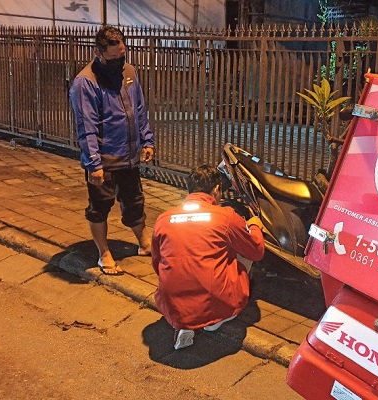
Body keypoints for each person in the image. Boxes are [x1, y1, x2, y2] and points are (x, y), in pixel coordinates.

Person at [69, 26, 155, 275]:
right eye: (113, 58)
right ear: (99, 52)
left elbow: (139, 109)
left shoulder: (129, 73)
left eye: (123, 56)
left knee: (134, 200)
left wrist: (146, 140)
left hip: (128, 156)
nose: (119, 62)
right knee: (100, 206)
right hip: (104, 160)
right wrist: (93, 164)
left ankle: (144, 243)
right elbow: (87, 126)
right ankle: (103, 253)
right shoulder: (85, 82)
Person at [151, 165, 265, 350]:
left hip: (171, 305)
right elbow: (256, 251)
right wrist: (254, 226)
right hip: (216, 305)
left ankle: (184, 323)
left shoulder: (164, 219)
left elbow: (157, 263)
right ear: (217, 189)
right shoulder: (226, 216)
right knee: (243, 247)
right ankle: (213, 322)